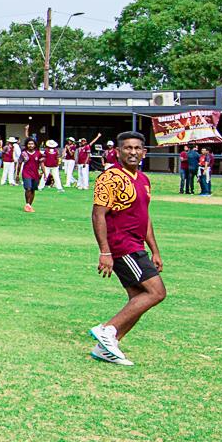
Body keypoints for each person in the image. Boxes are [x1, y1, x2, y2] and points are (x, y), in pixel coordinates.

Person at [88, 131, 165, 368]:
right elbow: (98, 214)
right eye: (128, 148)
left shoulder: (143, 179)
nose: (133, 152)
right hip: (122, 246)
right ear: (118, 151)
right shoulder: (110, 177)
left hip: (137, 244)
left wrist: (155, 249)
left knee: (137, 298)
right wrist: (105, 251)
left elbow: (145, 217)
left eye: (137, 148)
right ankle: (107, 330)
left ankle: (107, 347)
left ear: (144, 152)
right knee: (156, 292)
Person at [19, 140, 43, 212]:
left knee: (33, 189)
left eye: (32, 144)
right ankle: (27, 204)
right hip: (26, 173)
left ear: (35, 145)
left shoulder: (38, 154)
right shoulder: (24, 154)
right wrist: (17, 174)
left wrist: (44, 172)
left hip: (35, 173)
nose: (30, 145)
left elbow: (42, 163)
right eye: (29, 144)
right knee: (28, 188)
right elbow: (19, 163)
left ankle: (29, 205)